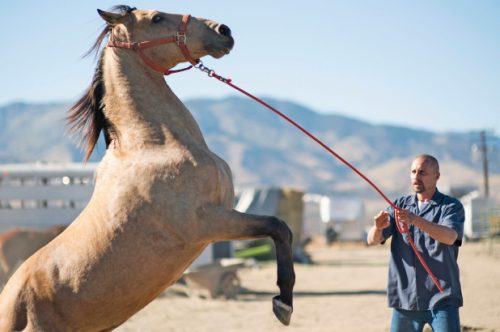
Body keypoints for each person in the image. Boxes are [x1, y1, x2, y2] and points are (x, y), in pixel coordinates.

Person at [367, 154, 465, 332]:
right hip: (406, 300)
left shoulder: (451, 206)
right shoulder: (398, 206)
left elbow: (450, 237)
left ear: (437, 176)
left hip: (442, 299)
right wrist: (377, 228)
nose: (416, 177)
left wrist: (415, 220)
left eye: (422, 172)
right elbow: (372, 240)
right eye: (413, 172)